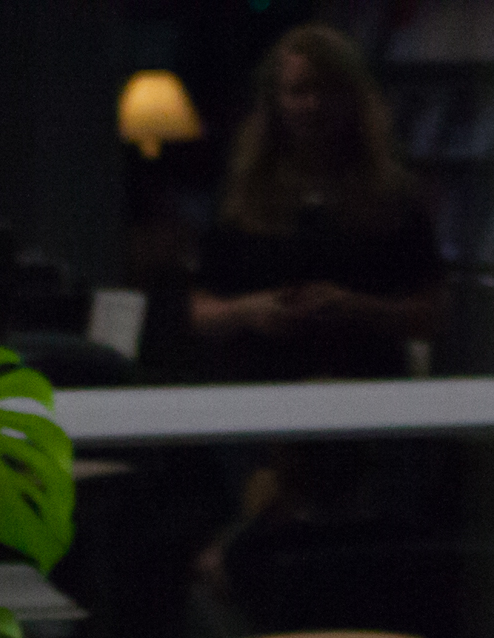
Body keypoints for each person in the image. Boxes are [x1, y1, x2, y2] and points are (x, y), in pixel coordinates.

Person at [185, 26, 446, 382]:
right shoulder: (242, 195)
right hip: (261, 394)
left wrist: (357, 310)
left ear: (353, 99)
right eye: (299, 91)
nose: (313, 105)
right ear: (275, 101)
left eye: (328, 90)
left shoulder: (393, 196)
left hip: (365, 395)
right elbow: (199, 310)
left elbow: (433, 313)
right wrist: (248, 311)